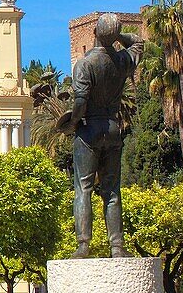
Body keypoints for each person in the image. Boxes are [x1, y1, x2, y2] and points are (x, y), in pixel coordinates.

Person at [62, 13, 144, 259]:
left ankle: (84, 244)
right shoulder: (121, 60)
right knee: (112, 191)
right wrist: (117, 34)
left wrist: (73, 122)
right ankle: (117, 246)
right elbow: (139, 42)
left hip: (89, 129)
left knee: (83, 188)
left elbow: (80, 101)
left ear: (94, 33)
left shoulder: (85, 64)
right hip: (112, 127)